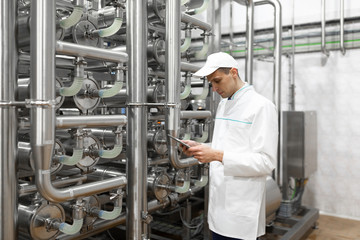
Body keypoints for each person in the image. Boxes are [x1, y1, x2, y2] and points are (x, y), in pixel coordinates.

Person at [181, 52, 278, 240]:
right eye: (211, 83)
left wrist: (216, 155)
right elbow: (226, 145)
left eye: (217, 81)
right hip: (218, 205)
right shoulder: (224, 105)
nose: (215, 88)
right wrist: (201, 147)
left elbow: (266, 162)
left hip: (241, 208)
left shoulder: (261, 106)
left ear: (233, 72)